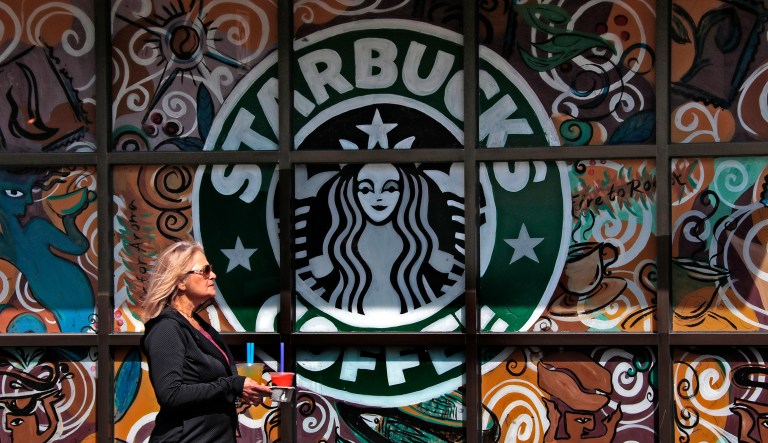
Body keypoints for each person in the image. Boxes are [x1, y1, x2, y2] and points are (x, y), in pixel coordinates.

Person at [141, 241, 271, 442]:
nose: (213, 275)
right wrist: (231, 385)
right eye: (205, 270)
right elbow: (170, 394)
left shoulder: (199, 326)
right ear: (181, 282)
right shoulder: (166, 328)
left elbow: (207, 386)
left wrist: (240, 390)